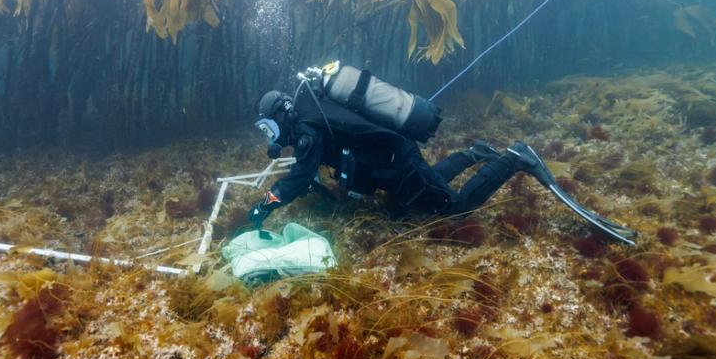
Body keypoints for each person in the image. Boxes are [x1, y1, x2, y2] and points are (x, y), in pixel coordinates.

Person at [246, 87, 638, 244]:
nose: (271, 137)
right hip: (393, 163)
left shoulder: (310, 129)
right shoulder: (313, 115)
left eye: (269, 128)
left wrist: (265, 205)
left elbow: (298, 178)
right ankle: (473, 153)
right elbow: (308, 169)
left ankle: (515, 158)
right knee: (416, 201)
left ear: (282, 116)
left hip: (398, 162)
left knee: (453, 208)